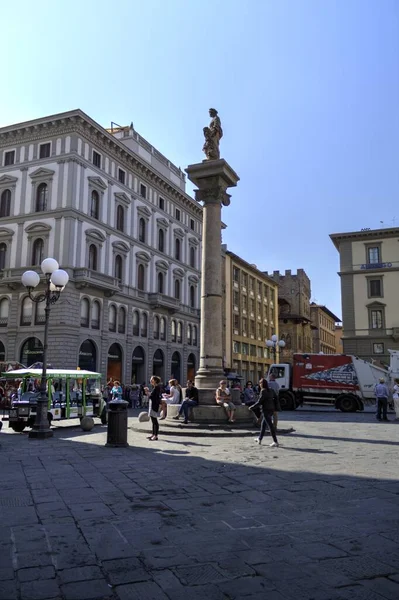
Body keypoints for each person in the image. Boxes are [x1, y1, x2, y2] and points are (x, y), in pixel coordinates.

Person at [249, 378, 279, 447]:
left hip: (266, 410)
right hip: (271, 409)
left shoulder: (263, 391)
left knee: (270, 426)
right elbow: (276, 397)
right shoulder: (271, 390)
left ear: (262, 384)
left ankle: (275, 441)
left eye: (260, 383)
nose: (259, 385)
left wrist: (251, 407)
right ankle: (259, 439)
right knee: (263, 425)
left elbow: (259, 402)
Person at [148, 376, 162, 441]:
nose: (150, 380)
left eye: (152, 379)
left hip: (154, 406)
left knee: (155, 421)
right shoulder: (155, 387)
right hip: (152, 405)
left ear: (155, 381)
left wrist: (148, 393)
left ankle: (155, 436)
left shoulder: (157, 387)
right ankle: (153, 434)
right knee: (153, 421)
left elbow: (153, 397)